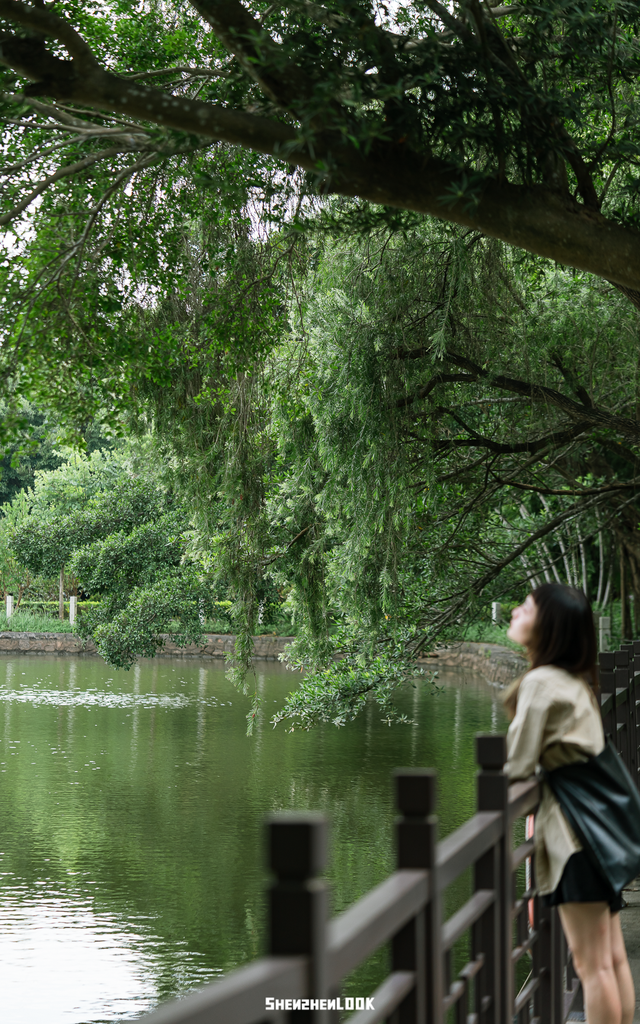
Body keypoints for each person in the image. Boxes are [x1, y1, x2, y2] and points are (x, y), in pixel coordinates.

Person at [504, 583, 635, 1024]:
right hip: (598, 833)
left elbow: (517, 767)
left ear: (549, 626)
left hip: (576, 839)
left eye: (526, 608)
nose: (515, 611)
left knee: (592, 967)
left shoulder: (542, 683)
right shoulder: (576, 681)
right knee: (610, 960)